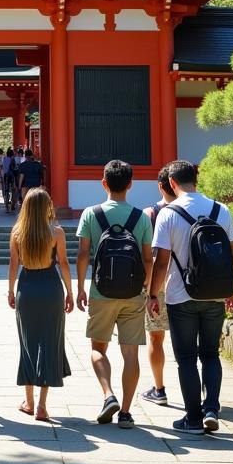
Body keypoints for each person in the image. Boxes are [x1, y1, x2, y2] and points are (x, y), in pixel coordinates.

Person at [150, 159, 233, 434]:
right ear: (196, 179)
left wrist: (153, 294)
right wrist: (232, 290)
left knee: (187, 357)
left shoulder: (168, 213)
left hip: (181, 295)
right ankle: (211, 407)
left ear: (173, 184)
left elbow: (161, 261)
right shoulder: (221, 210)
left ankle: (192, 419)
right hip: (215, 295)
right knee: (211, 353)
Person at [75, 159, 153, 429]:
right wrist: (149, 291)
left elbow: (84, 253)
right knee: (130, 353)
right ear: (130, 184)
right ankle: (127, 413)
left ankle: (108, 395)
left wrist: (80, 287)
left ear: (103, 183)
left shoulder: (90, 214)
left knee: (98, 349)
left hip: (101, 291)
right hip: (133, 293)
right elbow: (147, 259)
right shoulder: (141, 217)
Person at [8, 187, 73, 421]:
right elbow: (64, 263)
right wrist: (70, 291)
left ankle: (29, 401)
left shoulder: (17, 232)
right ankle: (42, 406)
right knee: (48, 343)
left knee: (27, 343)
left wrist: (9, 290)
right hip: (50, 286)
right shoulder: (56, 232)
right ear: (47, 206)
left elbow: (14, 265)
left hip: (27, 286)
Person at [140, 166, 175, 406]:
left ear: (161, 186)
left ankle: (159, 388)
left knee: (156, 338)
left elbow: (145, 254)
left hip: (158, 283)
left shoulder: (149, 213)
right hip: (190, 283)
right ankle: (206, 397)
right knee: (195, 342)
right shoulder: (202, 211)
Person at [2, 148, 19, 213]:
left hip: (5, 176)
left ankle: (6, 205)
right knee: (14, 190)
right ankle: (13, 204)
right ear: (12, 154)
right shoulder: (13, 159)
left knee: (6, 190)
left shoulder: (4, 159)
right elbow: (14, 168)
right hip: (12, 176)